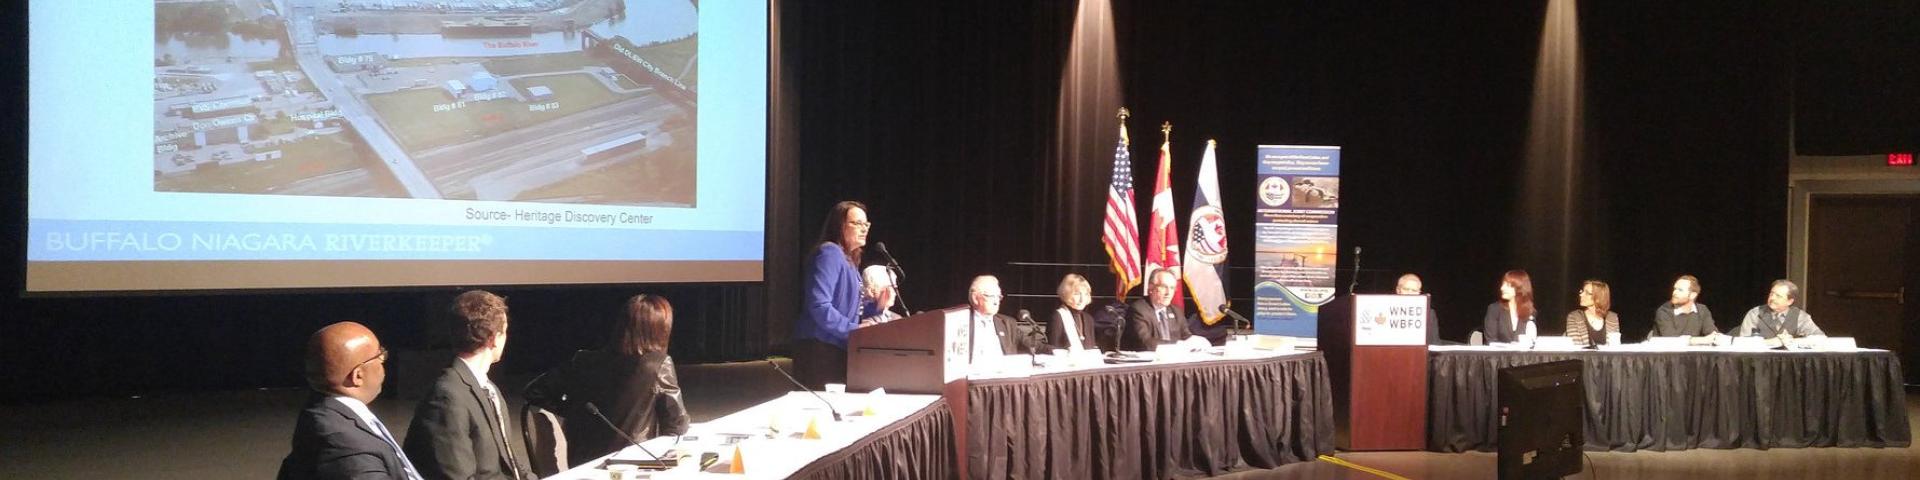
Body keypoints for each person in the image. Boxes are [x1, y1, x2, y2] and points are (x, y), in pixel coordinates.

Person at [523, 295, 691, 467]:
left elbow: (534, 391)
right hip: (634, 463)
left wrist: (574, 411)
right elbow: (677, 425)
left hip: (581, 464)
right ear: (660, 330)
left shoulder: (583, 360)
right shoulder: (658, 365)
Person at [404, 290, 533, 480]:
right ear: (493, 339)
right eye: (504, 332)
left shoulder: (488, 388)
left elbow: (508, 461)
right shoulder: (447, 397)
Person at [278, 322, 422, 480]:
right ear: (357, 375)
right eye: (379, 356)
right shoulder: (346, 444)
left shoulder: (325, 411)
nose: (383, 361)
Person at [795, 201, 879, 388]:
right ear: (839, 226)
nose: (864, 229)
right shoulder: (830, 253)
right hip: (819, 350)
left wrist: (877, 305)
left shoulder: (850, 261)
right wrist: (853, 331)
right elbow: (819, 306)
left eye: (866, 224)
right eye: (857, 223)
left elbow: (852, 311)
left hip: (836, 347)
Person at [1733, 279, 1827, 347]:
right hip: (1759, 363)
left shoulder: (1800, 316)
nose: (1772, 298)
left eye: (1778, 296)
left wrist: (1793, 342)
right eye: (1771, 294)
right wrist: (1772, 342)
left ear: (1789, 301)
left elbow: (1821, 338)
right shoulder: (1755, 314)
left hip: (1789, 365)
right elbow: (1743, 343)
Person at [1123, 268, 1194, 351]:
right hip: (1148, 361)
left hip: (1174, 360)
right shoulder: (1139, 309)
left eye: (1172, 288)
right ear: (1151, 287)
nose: (1168, 293)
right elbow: (1145, 342)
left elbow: (1187, 337)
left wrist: (1196, 343)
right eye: (1164, 287)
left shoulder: (1176, 311)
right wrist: (1178, 345)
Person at [1651, 275, 1723, 343]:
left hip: (1692, 354)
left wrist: (1715, 337)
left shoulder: (1702, 310)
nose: (1674, 293)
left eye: (1680, 290)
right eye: (1675, 289)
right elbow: (1671, 340)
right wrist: (1701, 340)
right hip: (1667, 355)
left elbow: (1711, 332)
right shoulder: (1664, 311)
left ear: (1692, 295)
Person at [965, 275, 1021, 361]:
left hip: (1004, 373)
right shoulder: (960, 322)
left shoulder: (1008, 323)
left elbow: (1032, 344)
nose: (996, 302)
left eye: (998, 297)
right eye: (992, 296)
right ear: (975, 298)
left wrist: (1049, 350)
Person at [1480, 270, 1537, 344]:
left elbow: (1531, 340)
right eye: (1503, 284)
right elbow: (1490, 341)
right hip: (1498, 355)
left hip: (1521, 355)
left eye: (1507, 285)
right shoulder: (1494, 309)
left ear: (1519, 288)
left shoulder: (1530, 312)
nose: (1502, 288)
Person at [1044, 273, 1097, 352]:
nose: (1082, 299)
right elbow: (1054, 350)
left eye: (1085, 294)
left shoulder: (1088, 319)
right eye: (1077, 294)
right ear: (1066, 294)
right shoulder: (1058, 317)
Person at [1563, 280, 1621, 347]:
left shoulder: (1612, 317)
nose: (1581, 294)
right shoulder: (1574, 317)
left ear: (1598, 298)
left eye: (1587, 293)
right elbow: (1576, 347)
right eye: (1582, 291)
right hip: (1582, 357)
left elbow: (1614, 347)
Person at [1396, 273, 1443, 345]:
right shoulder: (1388, 310)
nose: (1410, 293)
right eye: (1406, 289)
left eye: (1414, 290)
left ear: (1419, 293)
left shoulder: (1429, 314)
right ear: (1398, 290)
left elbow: (1434, 343)